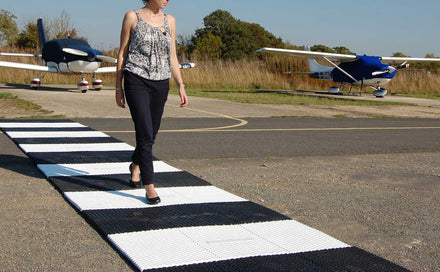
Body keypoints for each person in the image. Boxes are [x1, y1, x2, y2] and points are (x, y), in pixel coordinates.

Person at [115, 0, 188, 205]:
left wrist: (180, 84)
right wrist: (118, 87)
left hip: (161, 83)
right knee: (144, 131)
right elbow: (122, 53)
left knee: (152, 132)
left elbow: (172, 56)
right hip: (135, 79)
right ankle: (149, 186)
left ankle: (136, 164)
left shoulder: (170, 21)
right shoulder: (132, 17)